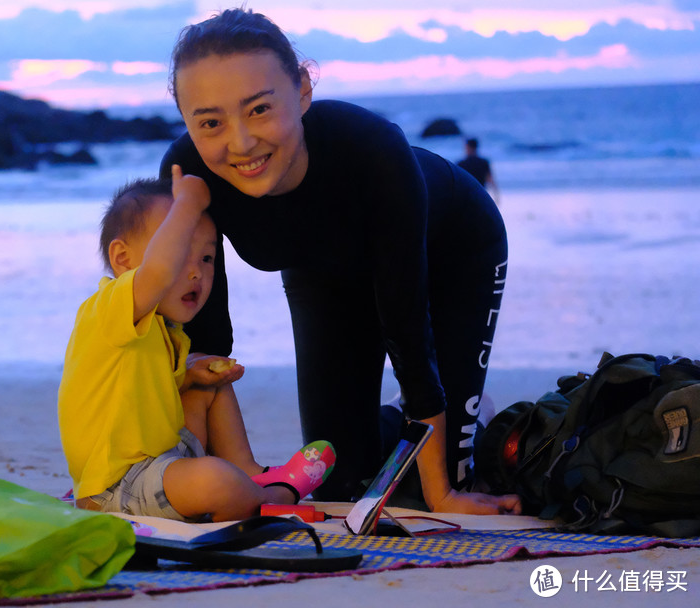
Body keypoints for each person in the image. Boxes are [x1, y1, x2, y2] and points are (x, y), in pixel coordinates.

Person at [160, 8, 520, 515]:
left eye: (260, 109)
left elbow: (408, 336)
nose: (240, 143)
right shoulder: (191, 176)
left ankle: (470, 415)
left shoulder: (372, 150)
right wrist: (210, 477)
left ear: (303, 91)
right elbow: (205, 343)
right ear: (186, 121)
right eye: (211, 121)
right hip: (323, 275)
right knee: (338, 484)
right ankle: (401, 423)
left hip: (453, 250)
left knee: (435, 489)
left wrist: (445, 495)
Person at [57, 171, 336, 522]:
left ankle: (249, 472)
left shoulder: (163, 330)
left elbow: (145, 399)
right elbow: (156, 273)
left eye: (207, 258)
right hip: (116, 487)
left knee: (208, 379)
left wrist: (189, 377)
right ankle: (274, 495)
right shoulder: (110, 307)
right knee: (216, 480)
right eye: (180, 252)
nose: (197, 273)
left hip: (161, 466)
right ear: (124, 260)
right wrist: (187, 204)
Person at [458, 137, 501, 202]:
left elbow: (457, 183)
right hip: (481, 195)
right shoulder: (484, 162)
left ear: (468, 147)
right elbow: (490, 180)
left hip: (466, 197)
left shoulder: (461, 164)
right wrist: (496, 195)